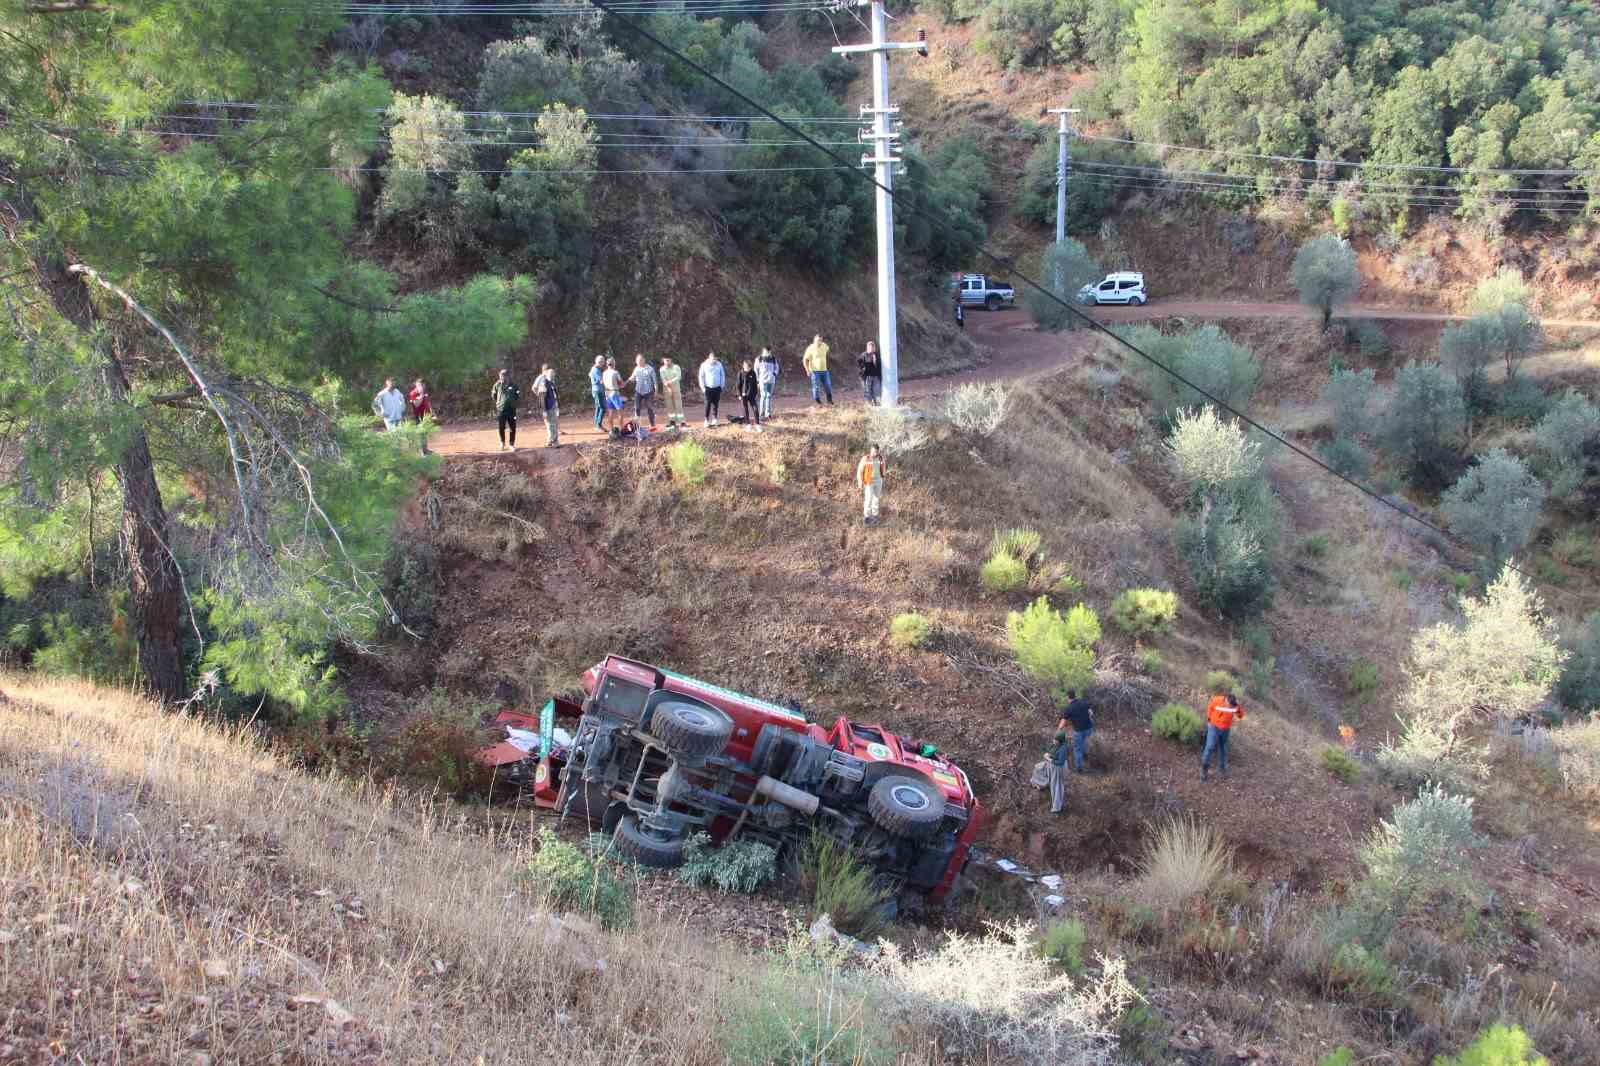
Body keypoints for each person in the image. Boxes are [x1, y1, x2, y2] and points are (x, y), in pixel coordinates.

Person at [1201, 691, 1245, 781]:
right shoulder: (1217, 700)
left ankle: (1222, 769)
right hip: (1214, 727)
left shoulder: (1234, 705)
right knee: (1210, 747)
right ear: (1226, 700)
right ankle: (1204, 770)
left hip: (1225, 730)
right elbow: (1210, 708)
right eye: (1229, 705)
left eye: (1231, 706)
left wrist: (1239, 707)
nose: (1230, 707)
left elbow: (1240, 716)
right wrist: (1209, 719)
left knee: (1223, 749)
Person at [1055, 690, 1096, 772]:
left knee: (1077, 749)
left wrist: (1058, 731)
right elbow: (1091, 713)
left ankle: (1079, 768)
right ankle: (1087, 757)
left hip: (1079, 731)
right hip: (1089, 729)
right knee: (1085, 744)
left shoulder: (1069, 708)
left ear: (1068, 697)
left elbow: (1062, 723)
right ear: (1075, 695)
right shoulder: (1083, 702)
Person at [855, 444, 886, 525]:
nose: (875, 453)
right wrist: (860, 481)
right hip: (869, 481)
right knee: (868, 499)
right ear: (870, 450)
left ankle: (875, 516)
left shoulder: (881, 458)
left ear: (878, 451)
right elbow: (860, 471)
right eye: (873, 451)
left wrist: (883, 477)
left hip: (878, 481)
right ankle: (867, 517)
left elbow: (883, 467)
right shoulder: (865, 458)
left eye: (876, 451)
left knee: (876, 498)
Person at [491, 368, 520, 452]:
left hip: (511, 410)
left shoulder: (514, 385)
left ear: (508, 376)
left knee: (512, 427)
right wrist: (499, 403)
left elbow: (517, 396)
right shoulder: (497, 385)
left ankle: (511, 444)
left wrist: (513, 403)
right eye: (501, 376)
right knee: (501, 427)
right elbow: (494, 395)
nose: (502, 378)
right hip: (501, 410)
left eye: (504, 376)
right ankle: (502, 443)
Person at [533, 363, 560, 448]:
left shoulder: (551, 383)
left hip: (553, 405)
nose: (553, 376)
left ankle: (553, 441)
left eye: (553, 374)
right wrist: (544, 410)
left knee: (554, 423)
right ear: (546, 374)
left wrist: (556, 405)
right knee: (550, 424)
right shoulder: (543, 383)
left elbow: (554, 395)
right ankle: (552, 441)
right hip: (547, 407)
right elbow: (541, 398)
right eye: (551, 374)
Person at [628, 353, 657, 430]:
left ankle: (652, 425)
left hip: (648, 392)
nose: (638, 362)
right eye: (637, 361)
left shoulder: (650, 369)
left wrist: (656, 390)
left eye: (640, 360)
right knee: (637, 408)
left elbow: (654, 380)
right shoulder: (636, 368)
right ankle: (637, 426)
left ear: (644, 360)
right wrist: (628, 380)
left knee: (649, 408)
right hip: (638, 391)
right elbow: (633, 377)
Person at [802, 334, 833, 405]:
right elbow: (805, 360)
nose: (819, 342)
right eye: (818, 341)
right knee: (816, 387)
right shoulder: (810, 348)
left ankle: (830, 400)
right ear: (814, 340)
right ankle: (818, 401)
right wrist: (807, 370)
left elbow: (827, 350)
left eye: (821, 340)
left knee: (828, 385)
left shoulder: (824, 346)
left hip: (824, 370)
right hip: (815, 371)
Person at [1045, 731, 1070, 815]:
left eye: (1055, 739)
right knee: (1052, 784)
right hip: (1052, 767)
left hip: (1059, 769)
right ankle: (1041, 785)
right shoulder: (1055, 744)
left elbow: (1060, 762)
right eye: (1054, 739)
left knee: (1057, 787)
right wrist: (1048, 754)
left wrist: (1049, 759)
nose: (1053, 740)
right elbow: (1050, 750)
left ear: (1060, 741)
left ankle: (1057, 808)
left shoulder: (1063, 748)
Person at [698, 351, 725, 427]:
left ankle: (714, 419)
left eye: (715, 359)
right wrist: (703, 388)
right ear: (709, 357)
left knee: (716, 404)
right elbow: (701, 376)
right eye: (713, 358)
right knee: (708, 404)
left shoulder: (719, 364)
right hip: (708, 388)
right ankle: (706, 420)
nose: (714, 360)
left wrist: (721, 386)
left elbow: (722, 375)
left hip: (717, 388)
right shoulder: (704, 365)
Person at [659, 356, 686, 430]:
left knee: (678, 406)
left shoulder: (676, 367)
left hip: (676, 390)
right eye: (665, 360)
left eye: (668, 360)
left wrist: (670, 382)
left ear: (671, 360)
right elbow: (663, 379)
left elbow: (678, 377)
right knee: (670, 406)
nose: (667, 362)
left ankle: (682, 422)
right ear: (663, 360)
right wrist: (668, 388)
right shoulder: (662, 369)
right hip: (667, 390)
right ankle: (672, 422)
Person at [601, 357, 626, 432]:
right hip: (614, 393)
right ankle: (622, 429)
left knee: (610, 412)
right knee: (620, 412)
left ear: (607, 364)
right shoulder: (615, 372)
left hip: (607, 394)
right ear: (614, 364)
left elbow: (602, 382)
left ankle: (611, 430)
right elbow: (622, 383)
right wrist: (622, 385)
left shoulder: (604, 373)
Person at [736, 359, 762, 432]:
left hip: (752, 395)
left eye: (749, 367)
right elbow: (738, 385)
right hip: (743, 395)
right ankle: (748, 425)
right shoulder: (740, 373)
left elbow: (755, 385)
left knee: (755, 409)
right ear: (744, 366)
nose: (747, 369)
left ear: (751, 367)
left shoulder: (753, 373)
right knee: (745, 409)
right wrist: (739, 395)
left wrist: (755, 393)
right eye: (746, 367)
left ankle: (757, 424)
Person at [755, 347, 779, 420]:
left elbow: (777, 367)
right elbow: (756, 369)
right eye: (766, 351)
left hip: (771, 380)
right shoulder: (759, 359)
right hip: (762, 380)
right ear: (763, 351)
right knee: (763, 396)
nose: (768, 352)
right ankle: (761, 414)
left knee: (768, 396)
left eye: (769, 351)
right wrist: (757, 379)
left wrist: (774, 374)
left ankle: (768, 414)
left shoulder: (773, 359)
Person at [857, 340, 883, 406]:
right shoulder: (864, 355)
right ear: (867, 348)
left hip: (876, 377)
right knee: (868, 392)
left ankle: (878, 405)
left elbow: (879, 365)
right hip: (867, 377)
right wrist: (863, 368)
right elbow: (859, 363)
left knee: (877, 392)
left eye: (873, 347)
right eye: (870, 347)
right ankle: (869, 406)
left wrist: (875, 360)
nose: (872, 349)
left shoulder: (877, 355)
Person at [588, 356, 606, 431]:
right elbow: (601, 381)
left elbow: (589, 374)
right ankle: (598, 425)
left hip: (597, 390)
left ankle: (596, 424)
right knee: (603, 408)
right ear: (598, 362)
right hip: (598, 391)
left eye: (603, 362)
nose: (602, 364)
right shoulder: (596, 370)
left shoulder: (594, 369)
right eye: (601, 362)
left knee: (598, 407)